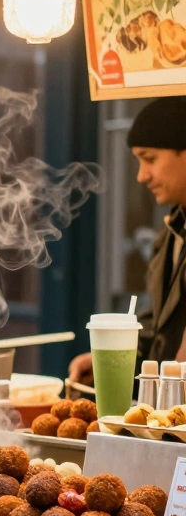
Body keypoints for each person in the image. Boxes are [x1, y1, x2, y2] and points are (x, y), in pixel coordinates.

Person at [70, 97, 186, 384]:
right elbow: (160, 329)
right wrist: (115, 359)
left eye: (150, 159)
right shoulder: (171, 232)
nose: (141, 176)